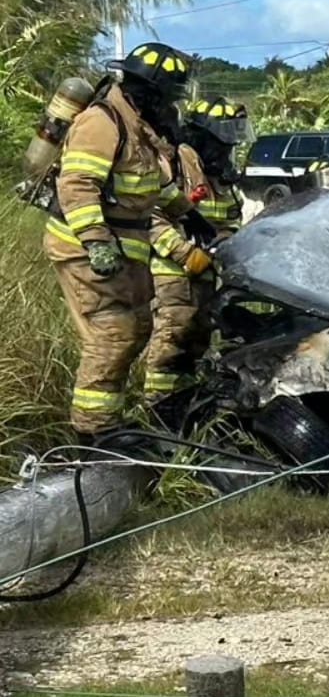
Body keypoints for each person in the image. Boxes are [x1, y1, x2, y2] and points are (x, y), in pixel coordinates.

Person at [44, 43, 213, 437]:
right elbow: (77, 185)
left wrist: (189, 213)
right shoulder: (103, 122)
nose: (171, 105)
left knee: (136, 327)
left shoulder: (137, 126)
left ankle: (108, 423)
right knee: (114, 332)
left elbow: (149, 185)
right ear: (148, 91)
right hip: (84, 248)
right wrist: (95, 241)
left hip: (120, 251)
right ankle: (93, 432)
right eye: (168, 95)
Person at [144, 97, 249, 407]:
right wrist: (184, 253)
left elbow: (230, 221)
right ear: (206, 136)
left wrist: (226, 243)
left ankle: (186, 405)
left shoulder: (222, 177)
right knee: (172, 340)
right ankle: (159, 407)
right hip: (173, 272)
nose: (228, 150)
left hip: (207, 272)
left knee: (198, 340)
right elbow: (150, 215)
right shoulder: (178, 164)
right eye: (223, 141)